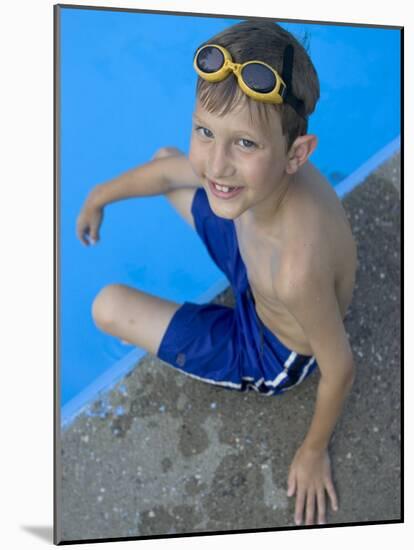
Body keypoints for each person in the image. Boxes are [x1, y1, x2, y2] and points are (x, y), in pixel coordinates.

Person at [76, 20, 357, 527]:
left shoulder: (296, 270)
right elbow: (172, 171)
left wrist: (313, 451)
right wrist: (99, 195)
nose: (218, 163)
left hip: (270, 346)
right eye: (205, 131)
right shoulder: (262, 181)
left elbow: (340, 367)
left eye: (244, 145)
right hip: (255, 256)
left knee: (107, 307)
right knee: (168, 162)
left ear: (298, 154)